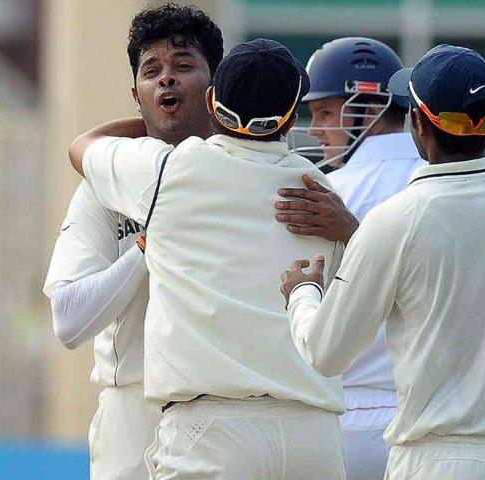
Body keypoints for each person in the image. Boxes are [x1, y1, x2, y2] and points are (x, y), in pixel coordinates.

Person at [280, 44, 485, 480]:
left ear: (419, 124)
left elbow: (326, 353)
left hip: (439, 459)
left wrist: (302, 294)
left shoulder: (394, 219)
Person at [68, 38, 346, 480]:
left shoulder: (166, 171)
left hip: (214, 430)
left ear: (214, 101)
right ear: (293, 116)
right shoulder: (324, 194)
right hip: (314, 433)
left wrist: (162, 117)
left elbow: (84, 145)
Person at [42, 4, 223, 479]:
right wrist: (147, 247)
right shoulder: (102, 186)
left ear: (215, 89)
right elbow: (69, 320)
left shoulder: (242, 172)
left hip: (225, 404)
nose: (167, 79)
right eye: (152, 71)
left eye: (183, 67)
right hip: (133, 408)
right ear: (136, 94)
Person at [275, 37, 423, 480]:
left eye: (324, 112)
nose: (315, 128)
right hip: (429, 417)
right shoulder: (443, 184)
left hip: (341, 415)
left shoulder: (323, 191)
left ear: (368, 107)